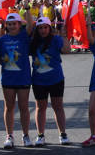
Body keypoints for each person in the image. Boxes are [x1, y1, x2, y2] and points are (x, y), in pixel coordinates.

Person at [0, 10, 36, 148]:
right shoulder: (2, 40)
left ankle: (25, 135)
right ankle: (9, 135)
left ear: (19, 25)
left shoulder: (24, 36)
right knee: (9, 107)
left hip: (23, 77)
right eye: (9, 24)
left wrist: (27, 10)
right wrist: (8, 62)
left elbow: (31, 26)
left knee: (24, 107)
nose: (12, 26)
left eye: (14, 24)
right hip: (8, 78)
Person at [29, 16, 72, 145]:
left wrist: (64, 35)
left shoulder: (56, 39)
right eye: (40, 28)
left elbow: (66, 50)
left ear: (50, 28)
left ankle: (62, 134)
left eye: (45, 27)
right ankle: (40, 135)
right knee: (40, 107)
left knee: (58, 106)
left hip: (56, 79)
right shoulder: (33, 41)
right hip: (38, 80)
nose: (43, 30)